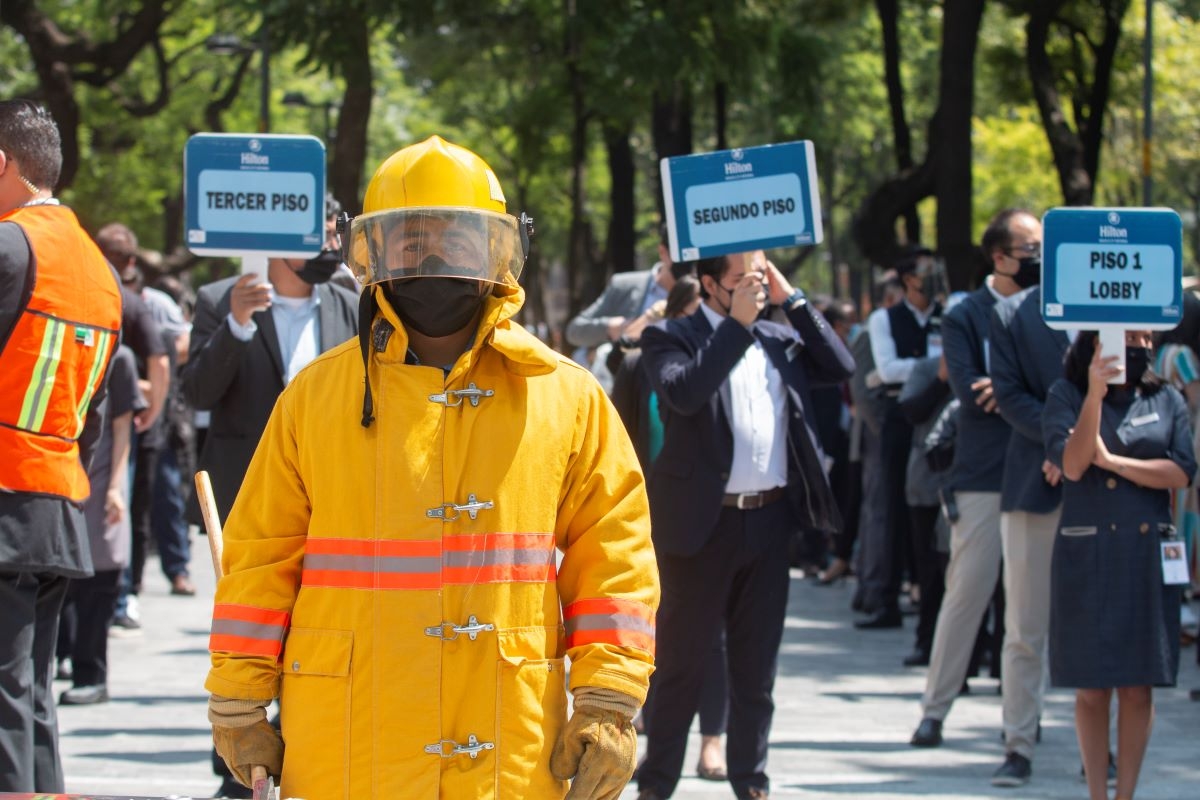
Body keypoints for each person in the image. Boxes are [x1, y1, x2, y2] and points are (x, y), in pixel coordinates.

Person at [204, 135, 659, 799]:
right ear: (372, 253)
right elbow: (260, 555)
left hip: (505, 740)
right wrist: (239, 699)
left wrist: (609, 703)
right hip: (351, 742)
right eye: (412, 241)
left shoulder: (566, 397)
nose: (435, 257)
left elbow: (616, 561)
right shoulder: (315, 397)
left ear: (499, 251)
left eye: (457, 239)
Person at [636, 250, 854, 800]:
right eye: (741, 280)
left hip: (769, 521)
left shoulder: (779, 339)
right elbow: (684, 392)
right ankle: (657, 783)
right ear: (709, 284)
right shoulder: (671, 335)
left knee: (756, 670)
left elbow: (841, 367)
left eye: (761, 276)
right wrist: (736, 326)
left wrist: (792, 300)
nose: (755, 288)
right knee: (681, 666)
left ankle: (751, 781)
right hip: (699, 527)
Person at [0, 98, 123, 793]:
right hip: (56, 505)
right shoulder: (99, 271)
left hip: (4, 496)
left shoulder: (9, 246)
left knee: (7, 698)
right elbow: (94, 413)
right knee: (30, 692)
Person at [1044, 330, 1195, 800]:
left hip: (1145, 551)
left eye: (1147, 336)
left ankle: (1125, 795)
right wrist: (1094, 393)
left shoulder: (1165, 396)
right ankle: (1096, 793)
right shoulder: (1065, 393)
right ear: (1097, 340)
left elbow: (1181, 470)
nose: (1141, 344)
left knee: (1137, 687)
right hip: (1088, 553)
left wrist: (1112, 463)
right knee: (1092, 687)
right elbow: (1071, 464)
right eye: (1130, 335)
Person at [909, 210, 1031, 761]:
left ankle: (1023, 727)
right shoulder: (966, 316)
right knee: (967, 595)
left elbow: (1054, 386)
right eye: (1030, 248)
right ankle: (935, 710)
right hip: (981, 474)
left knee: (1031, 614)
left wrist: (1004, 391)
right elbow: (967, 389)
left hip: (1038, 470)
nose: (1040, 258)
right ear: (999, 257)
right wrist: (1020, 393)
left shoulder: (1054, 311)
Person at [181, 201, 359, 524]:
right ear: (283, 239)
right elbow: (197, 393)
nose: (332, 248)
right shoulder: (220, 300)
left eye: (337, 236)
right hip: (244, 495)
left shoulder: (353, 307)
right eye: (321, 237)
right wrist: (236, 325)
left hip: (328, 495)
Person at [986, 210, 1082, 786]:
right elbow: (1009, 394)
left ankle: (1110, 746)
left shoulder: (1108, 311)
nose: (1040, 256)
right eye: (1030, 247)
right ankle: (1019, 743)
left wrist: (1079, 451)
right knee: (1024, 628)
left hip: (1103, 485)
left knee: (1102, 621)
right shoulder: (1008, 315)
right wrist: (1058, 443)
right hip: (1033, 483)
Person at [856, 247, 943, 629]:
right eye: (928, 271)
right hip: (899, 420)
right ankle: (886, 599)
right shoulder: (883, 318)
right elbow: (887, 370)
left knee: (933, 510)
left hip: (940, 416)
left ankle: (928, 598)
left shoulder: (948, 314)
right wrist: (933, 367)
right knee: (892, 506)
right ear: (910, 280)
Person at [56, 345, 143, 706]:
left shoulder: (119, 357)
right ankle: (64, 657)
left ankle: (91, 674)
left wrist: (115, 487)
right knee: (61, 578)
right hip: (58, 478)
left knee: (101, 575)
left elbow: (123, 428)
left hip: (101, 477)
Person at [566, 224, 676, 349]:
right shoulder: (624, 286)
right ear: (663, 252)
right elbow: (575, 331)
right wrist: (611, 327)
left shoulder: (700, 290)